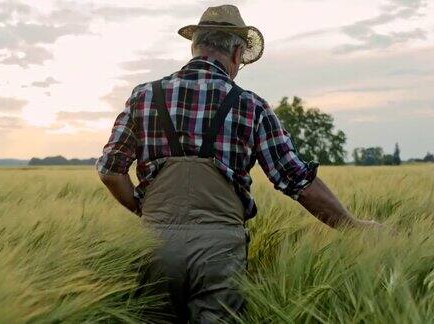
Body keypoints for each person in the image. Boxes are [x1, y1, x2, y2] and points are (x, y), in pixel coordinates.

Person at [96, 4, 382, 323]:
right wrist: (352, 226)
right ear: (235, 54)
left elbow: (110, 170)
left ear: (195, 47)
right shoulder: (251, 106)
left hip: (154, 243)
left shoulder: (144, 96)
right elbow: (297, 180)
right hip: (219, 253)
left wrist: (147, 211)